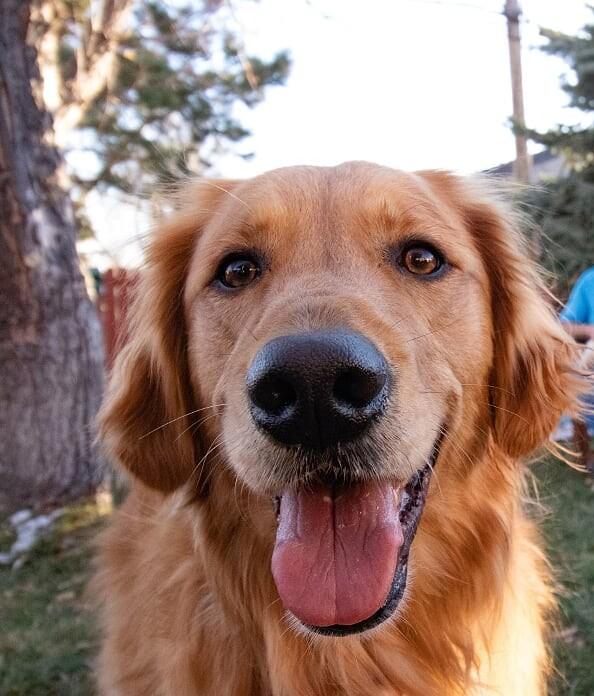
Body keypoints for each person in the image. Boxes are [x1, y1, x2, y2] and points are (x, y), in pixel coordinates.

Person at [560, 266, 594, 472]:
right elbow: (563, 326)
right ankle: (584, 457)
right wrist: (590, 330)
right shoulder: (590, 280)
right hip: (591, 360)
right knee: (579, 381)